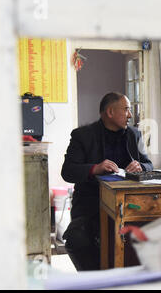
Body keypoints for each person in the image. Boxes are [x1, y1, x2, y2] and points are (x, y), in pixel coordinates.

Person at [61, 92, 153, 271]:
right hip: (91, 205)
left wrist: (140, 166)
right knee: (76, 239)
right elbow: (68, 171)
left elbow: (149, 164)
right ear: (110, 112)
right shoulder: (83, 136)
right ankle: (96, 281)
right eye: (126, 109)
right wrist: (94, 169)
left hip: (129, 205)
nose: (130, 115)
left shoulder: (134, 135)